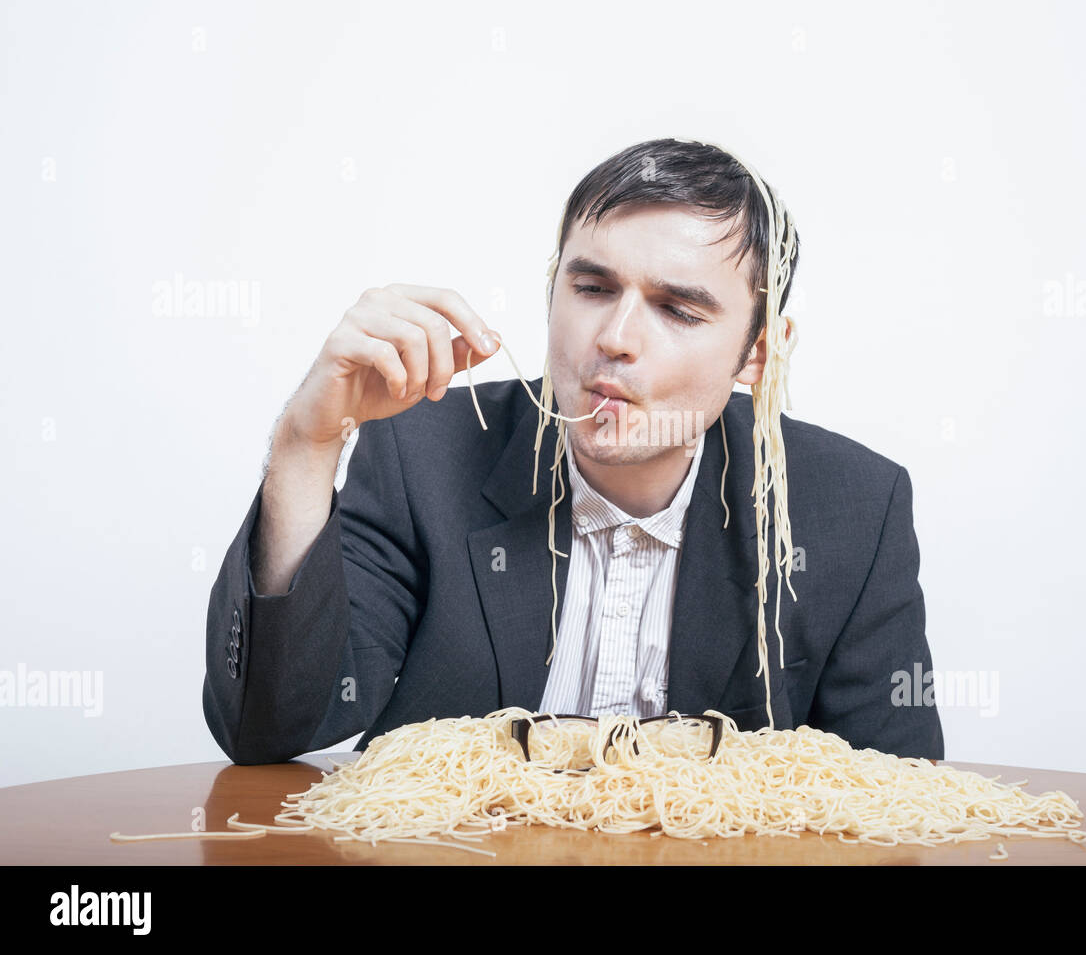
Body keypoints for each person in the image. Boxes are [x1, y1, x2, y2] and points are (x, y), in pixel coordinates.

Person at [203, 139, 943, 765]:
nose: (614, 337)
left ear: (759, 356)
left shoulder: (853, 509)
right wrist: (306, 445)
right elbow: (267, 728)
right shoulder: (421, 451)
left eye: (679, 310)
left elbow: (902, 799)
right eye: (591, 286)